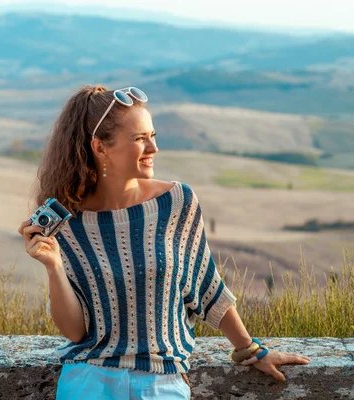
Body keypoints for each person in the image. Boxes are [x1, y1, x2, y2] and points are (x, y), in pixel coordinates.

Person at [17, 85, 311, 399]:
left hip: (161, 383)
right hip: (88, 381)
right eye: (140, 138)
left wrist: (251, 349)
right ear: (100, 147)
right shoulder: (68, 222)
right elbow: (75, 331)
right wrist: (53, 267)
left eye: (152, 135)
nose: (153, 148)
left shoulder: (176, 202)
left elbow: (206, 287)